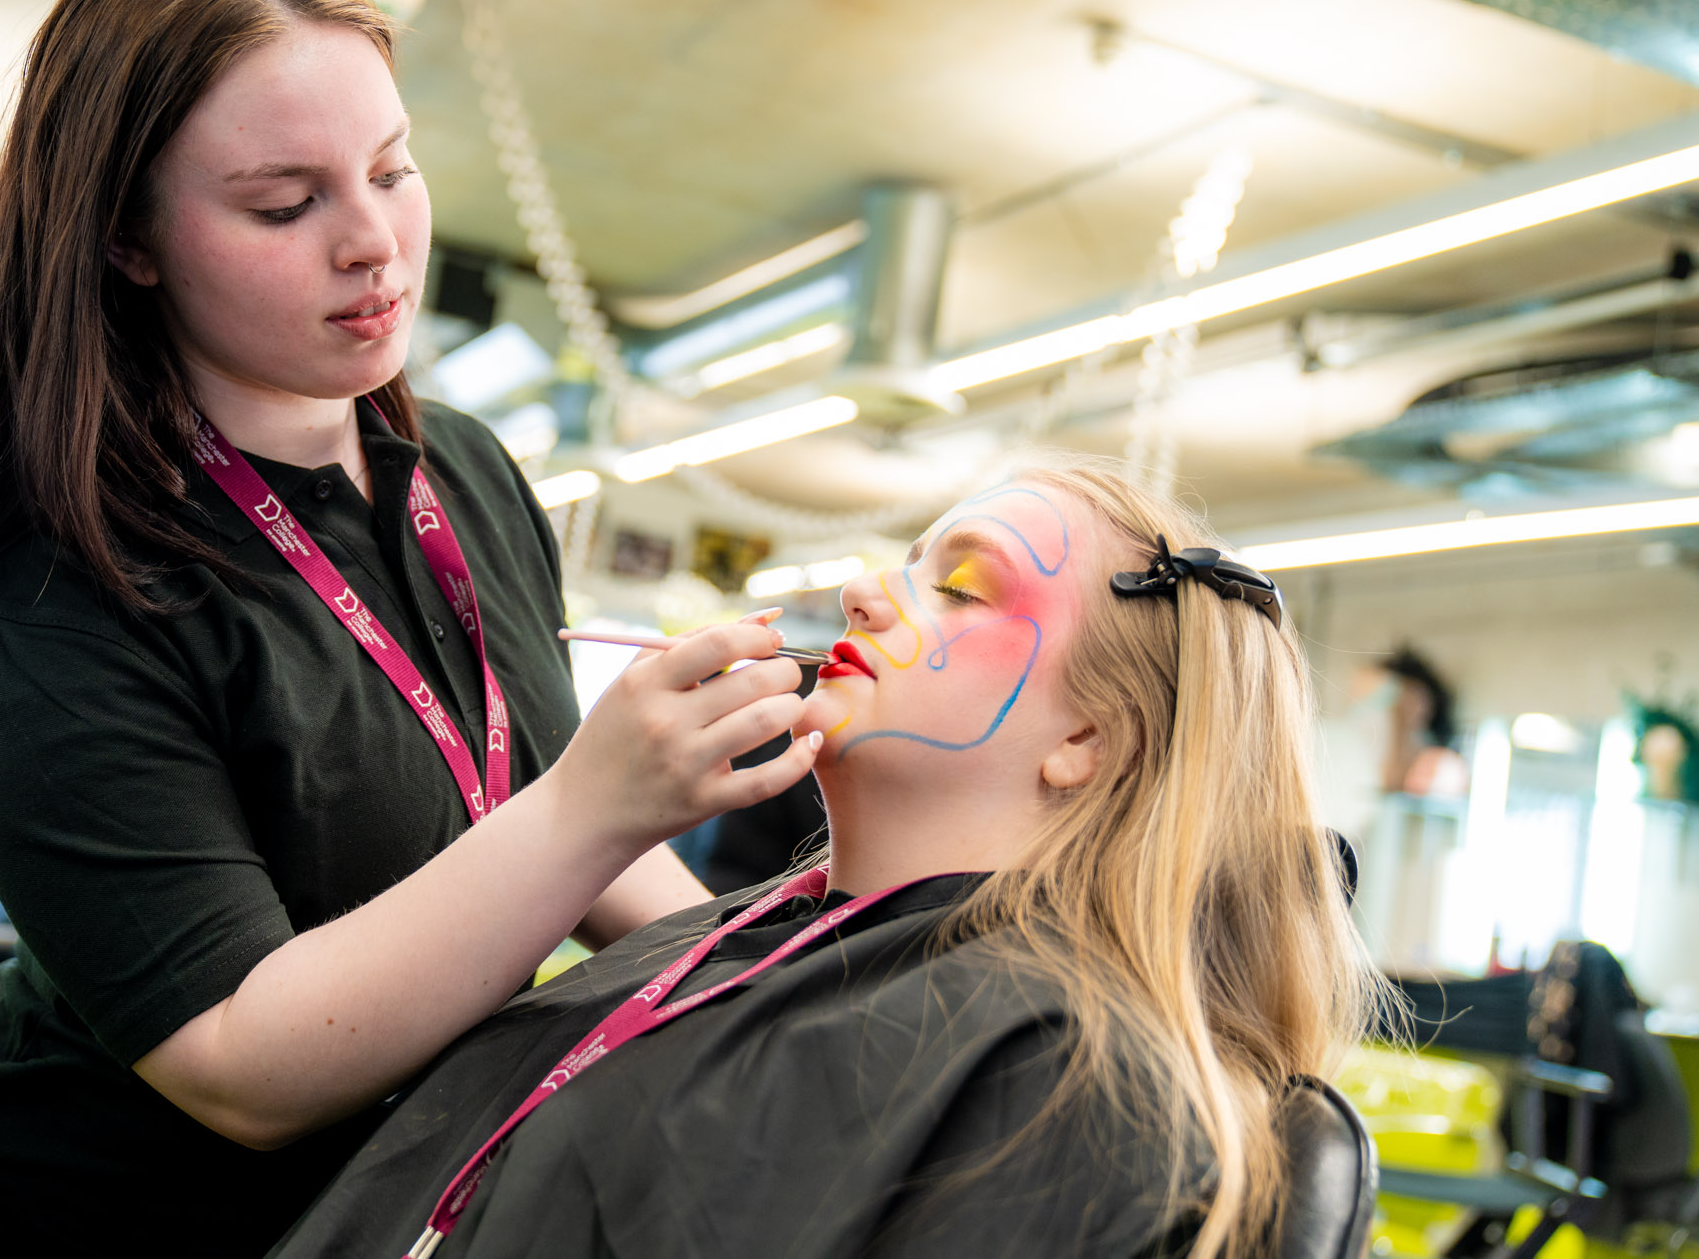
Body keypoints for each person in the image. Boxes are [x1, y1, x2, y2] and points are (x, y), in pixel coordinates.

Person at [0, 0, 816, 1255]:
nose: (373, 242)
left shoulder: (467, 472)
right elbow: (236, 1063)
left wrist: (791, 973)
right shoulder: (52, 578)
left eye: (391, 168)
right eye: (283, 204)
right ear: (127, 238)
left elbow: (542, 809)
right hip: (94, 1210)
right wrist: (597, 802)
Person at [273, 463, 1377, 1259]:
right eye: (908, 563)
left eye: (960, 587)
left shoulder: (1065, 1081)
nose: (862, 592)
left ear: (1089, 738)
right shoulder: (746, 939)